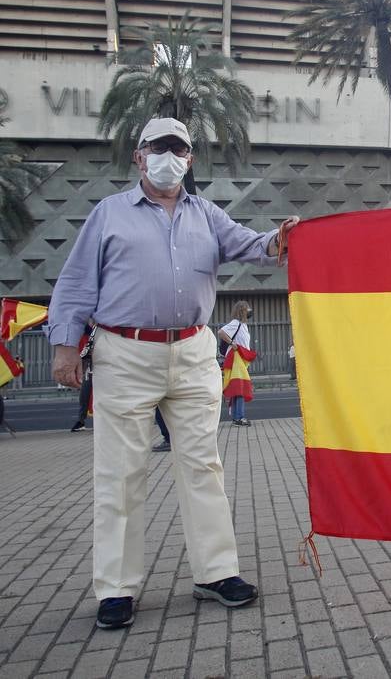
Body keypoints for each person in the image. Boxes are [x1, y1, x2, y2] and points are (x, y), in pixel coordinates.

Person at [47, 117, 299, 631]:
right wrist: (64, 348)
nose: (169, 156)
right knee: (120, 474)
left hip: (192, 353)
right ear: (138, 156)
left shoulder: (206, 214)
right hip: (125, 353)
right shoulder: (108, 215)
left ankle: (215, 573)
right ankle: (117, 587)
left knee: (204, 467)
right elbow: (75, 284)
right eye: (158, 147)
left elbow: (252, 245)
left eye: (178, 148)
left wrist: (281, 240)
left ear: (190, 159)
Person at [218, 301, 253, 426]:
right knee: (240, 388)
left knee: (238, 387)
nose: (250, 311)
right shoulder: (235, 323)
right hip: (236, 359)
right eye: (248, 308)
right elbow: (221, 332)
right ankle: (239, 417)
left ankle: (236, 417)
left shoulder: (243, 325)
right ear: (242, 310)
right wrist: (232, 343)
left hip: (241, 360)